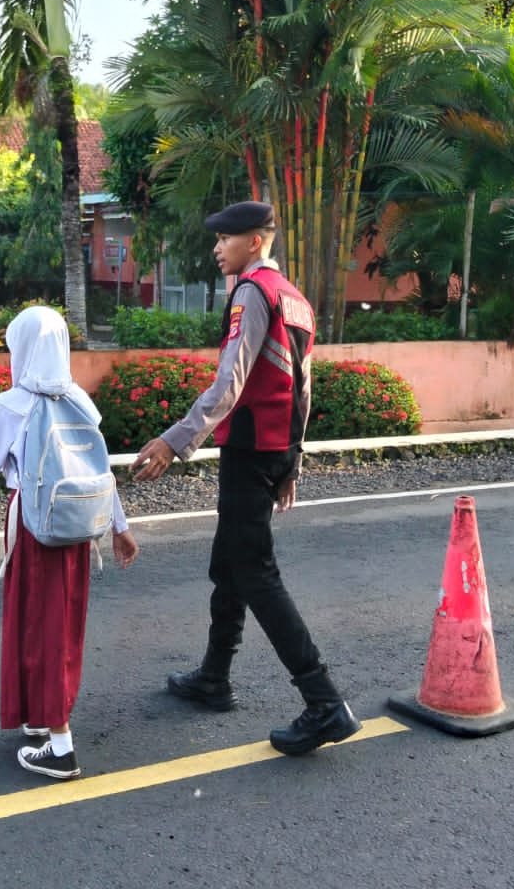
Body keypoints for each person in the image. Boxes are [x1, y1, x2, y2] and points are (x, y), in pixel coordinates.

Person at [132, 200, 359, 757]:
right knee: (231, 564)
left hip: (250, 450)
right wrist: (292, 459)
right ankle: (214, 677)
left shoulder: (252, 293)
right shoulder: (294, 297)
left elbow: (229, 382)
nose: (217, 248)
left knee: (256, 573)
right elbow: (303, 386)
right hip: (273, 450)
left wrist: (174, 440)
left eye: (225, 239)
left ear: (253, 242)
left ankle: (323, 701)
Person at [0, 306, 140, 780]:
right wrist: (119, 526)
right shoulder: (79, 400)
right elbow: (97, 468)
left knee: (39, 627)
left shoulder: (10, 407)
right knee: (61, 625)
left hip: (33, 529)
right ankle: (40, 717)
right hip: (77, 530)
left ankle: (61, 745)